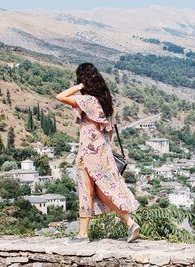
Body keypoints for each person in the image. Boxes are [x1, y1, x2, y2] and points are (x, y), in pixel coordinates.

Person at [56, 63, 140, 244]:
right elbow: (108, 132)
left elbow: (60, 96)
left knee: (85, 191)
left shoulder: (88, 101)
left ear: (84, 80)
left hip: (88, 152)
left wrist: (79, 87)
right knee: (102, 192)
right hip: (103, 151)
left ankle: (82, 235)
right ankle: (130, 222)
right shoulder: (107, 104)